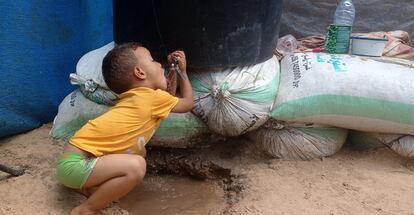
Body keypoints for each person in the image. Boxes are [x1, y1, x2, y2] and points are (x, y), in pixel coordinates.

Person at [56, 43, 193, 215]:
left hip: (73, 163)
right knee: (136, 165)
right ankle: (86, 210)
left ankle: (93, 189)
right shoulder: (151, 99)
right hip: (76, 165)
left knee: (139, 152)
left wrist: (173, 72)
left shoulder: (137, 98)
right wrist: (183, 72)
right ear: (140, 72)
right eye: (152, 60)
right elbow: (187, 103)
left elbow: (168, 98)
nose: (159, 64)